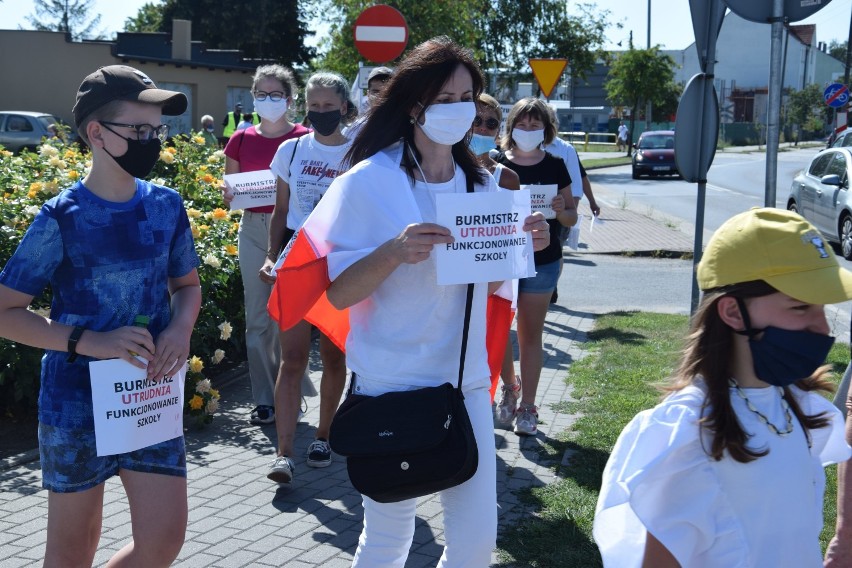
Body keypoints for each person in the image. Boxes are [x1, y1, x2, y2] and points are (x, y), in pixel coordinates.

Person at [274, 37, 549, 566]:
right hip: (390, 383)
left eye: (467, 97)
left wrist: (520, 246)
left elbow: (486, 288)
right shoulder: (369, 182)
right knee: (387, 539)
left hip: (464, 384)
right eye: (444, 99)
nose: (459, 110)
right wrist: (393, 253)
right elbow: (336, 292)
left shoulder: (483, 186)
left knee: (474, 547)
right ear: (414, 104)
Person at [0, 64, 201, 566]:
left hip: (148, 394)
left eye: (158, 130)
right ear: (96, 133)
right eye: (139, 130)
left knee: (163, 541)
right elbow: (5, 312)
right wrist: (91, 342)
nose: (152, 140)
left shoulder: (167, 206)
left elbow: (187, 286)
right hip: (75, 404)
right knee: (72, 550)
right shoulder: (61, 217)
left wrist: (180, 329)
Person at [594, 207, 852, 567]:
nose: (822, 328)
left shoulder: (794, 404)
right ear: (732, 313)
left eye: (822, 308)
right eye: (800, 307)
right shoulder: (689, 437)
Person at [261, 71, 355, 482]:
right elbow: (280, 213)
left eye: (328, 106)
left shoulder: (361, 151)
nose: (321, 113)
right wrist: (270, 258)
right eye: (313, 106)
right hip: (298, 262)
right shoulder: (291, 150)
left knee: (334, 356)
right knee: (293, 358)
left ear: (344, 107)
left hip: (341, 264)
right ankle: (283, 453)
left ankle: (324, 436)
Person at [221, 65, 310, 425]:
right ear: (253, 96)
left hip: (294, 231)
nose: (268, 100)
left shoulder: (305, 138)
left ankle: (290, 390)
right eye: (262, 94)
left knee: (288, 316)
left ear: (289, 99)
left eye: (276, 94)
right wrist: (228, 193)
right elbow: (230, 191)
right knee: (257, 316)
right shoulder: (239, 140)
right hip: (254, 229)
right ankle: (265, 399)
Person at [494, 97, 577, 435]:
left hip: (543, 261)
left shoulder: (556, 164)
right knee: (499, 333)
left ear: (546, 130)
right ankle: (509, 388)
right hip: (501, 260)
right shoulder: (496, 163)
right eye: (522, 124)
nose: (528, 130)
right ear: (511, 127)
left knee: (530, 336)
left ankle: (528, 406)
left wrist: (561, 209)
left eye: (535, 125)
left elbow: (571, 215)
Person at [343, 65, 393, 140]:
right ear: (368, 94)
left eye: (386, 92)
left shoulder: (405, 127)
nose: (381, 96)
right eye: (376, 91)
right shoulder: (354, 130)